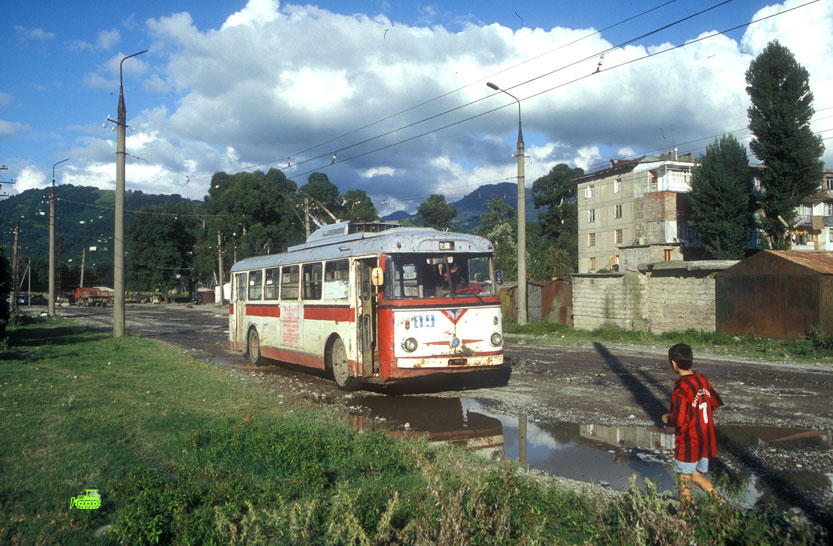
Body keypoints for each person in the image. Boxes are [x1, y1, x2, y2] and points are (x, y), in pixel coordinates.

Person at [661, 343, 723, 507]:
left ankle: (685, 514)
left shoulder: (681, 388)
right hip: (705, 437)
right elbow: (715, 402)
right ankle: (721, 504)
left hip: (689, 441)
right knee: (694, 474)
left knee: (683, 479)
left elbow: (678, 420)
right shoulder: (701, 379)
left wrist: (667, 418)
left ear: (674, 364)